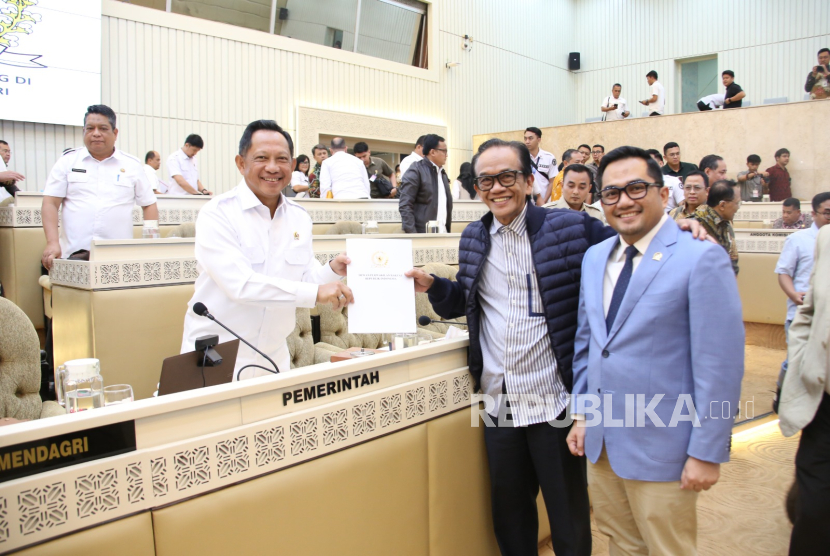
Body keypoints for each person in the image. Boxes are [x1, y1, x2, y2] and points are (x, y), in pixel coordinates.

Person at [406, 140, 706, 556]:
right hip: (500, 399)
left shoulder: (571, 228)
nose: (496, 188)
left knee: (568, 513)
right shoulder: (474, 236)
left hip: (556, 398)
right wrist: (436, 287)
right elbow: (470, 300)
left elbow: (631, 239)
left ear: (530, 181)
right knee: (509, 512)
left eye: (507, 177)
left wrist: (678, 227)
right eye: (486, 180)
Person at [567, 146, 744, 556]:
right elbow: (588, 343)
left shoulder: (701, 257)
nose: (623, 200)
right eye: (611, 193)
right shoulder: (595, 257)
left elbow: (720, 365)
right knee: (623, 544)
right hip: (602, 440)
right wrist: (582, 414)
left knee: (668, 549)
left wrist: (707, 450)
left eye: (636, 188)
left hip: (666, 447)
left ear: (664, 196)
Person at [180, 120, 352, 381]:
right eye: (262, 158)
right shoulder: (218, 214)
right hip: (217, 356)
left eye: (281, 159)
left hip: (273, 356)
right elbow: (240, 285)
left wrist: (331, 271)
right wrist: (316, 291)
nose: (272, 167)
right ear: (241, 163)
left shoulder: (299, 218)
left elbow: (303, 280)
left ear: (292, 166)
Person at [41, 105, 159, 269]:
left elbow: (149, 204)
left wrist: (151, 244)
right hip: (73, 255)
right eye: (90, 128)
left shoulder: (131, 165)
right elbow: (50, 203)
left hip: (118, 257)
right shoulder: (67, 161)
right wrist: (52, 243)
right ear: (84, 131)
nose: (96, 133)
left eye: (103, 128)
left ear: (115, 133)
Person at [778, 223, 830, 556]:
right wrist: (800, 362)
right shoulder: (826, 238)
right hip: (823, 400)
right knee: (813, 508)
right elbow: (809, 311)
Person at [775, 192, 830, 420]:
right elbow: (783, 273)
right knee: (795, 361)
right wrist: (794, 295)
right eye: (827, 212)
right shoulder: (798, 240)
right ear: (813, 214)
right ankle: (783, 394)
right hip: (801, 312)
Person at [399, 134, 451, 233]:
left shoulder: (442, 173)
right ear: (432, 152)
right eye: (444, 151)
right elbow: (405, 205)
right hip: (423, 234)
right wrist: (413, 235)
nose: (446, 155)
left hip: (443, 233)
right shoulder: (416, 170)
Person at [692, 180, 740, 275]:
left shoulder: (723, 224)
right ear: (722, 205)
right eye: (737, 203)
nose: (738, 208)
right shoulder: (696, 226)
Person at [523, 127, 556, 206]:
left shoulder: (549, 157)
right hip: (527, 202)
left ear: (539, 140)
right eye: (525, 138)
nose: (527, 141)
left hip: (546, 201)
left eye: (530, 138)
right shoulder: (521, 157)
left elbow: (552, 182)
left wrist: (543, 201)